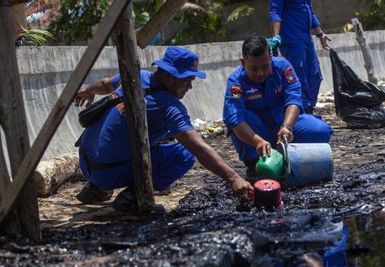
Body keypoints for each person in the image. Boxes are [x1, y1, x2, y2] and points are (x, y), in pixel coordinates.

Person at [74, 47, 253, 213]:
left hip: (85, 162)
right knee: (185, 153)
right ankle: (132, 198)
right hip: (106, 172)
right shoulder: (169, 107)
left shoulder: (136, 76)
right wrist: (234, 178)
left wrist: (88, 90)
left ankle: (96, 189)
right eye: (187, 81)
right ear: (168, 76)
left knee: (156, 134)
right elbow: (199, 149)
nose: (190, 87)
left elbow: (105, 83)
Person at [223, 35, 332, 175]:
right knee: (242, 118)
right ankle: (255, 161)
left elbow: (294, 98)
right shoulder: (236, 82)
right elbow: (234, 119)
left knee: (320, 131)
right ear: (243, 62)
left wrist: (287, 126)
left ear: (270, 58)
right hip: (256, 132)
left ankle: (290, 155)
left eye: (265, 66)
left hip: (283, 125)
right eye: (254, 68)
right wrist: (256, 141)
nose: (260, 73)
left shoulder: (283, 68)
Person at [268, 0, 331, 114]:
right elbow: (275, 11)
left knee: (315, 76)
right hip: (292, 39)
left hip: (306, 39)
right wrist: (276, 37)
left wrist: (320, 34)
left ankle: (309, 109)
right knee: (300, 76)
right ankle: (300, 112)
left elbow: (309, 11)